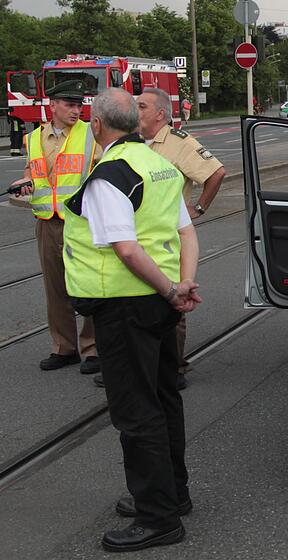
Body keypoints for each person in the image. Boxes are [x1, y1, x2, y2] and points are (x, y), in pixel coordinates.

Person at [63, 88, 201, 552]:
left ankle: (157, 517)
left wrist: (170, 290)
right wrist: (182, 286)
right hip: (159, 303)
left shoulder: (110, 174)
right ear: (136, 124)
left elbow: (125, 248)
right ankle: (172, 494)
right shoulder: (157, 165)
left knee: (135, 411)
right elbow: (185, 230)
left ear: (97, 126)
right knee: (163, 399)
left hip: (124, 306)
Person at [91, 87, 222, 391]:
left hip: (166, 239)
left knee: (171, 308)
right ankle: (134, 362)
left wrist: (198, 207)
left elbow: (216, 172)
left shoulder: (178, 143)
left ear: (161, 114)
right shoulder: (125, 145)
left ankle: (172, 365)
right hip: (129, 236)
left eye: (143, 106)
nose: (137, 111)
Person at [14, 80, 102, 373]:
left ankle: (93, 348)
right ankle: (64, 348)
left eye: (79, 105)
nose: (77, 110)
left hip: (83, 222)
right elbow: (33, 171)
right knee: (55, 288)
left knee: (90, 284)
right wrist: (24, 182)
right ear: (53, 106)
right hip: (47, 222)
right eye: (70, 105)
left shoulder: (92, 134)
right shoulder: (34, 138)